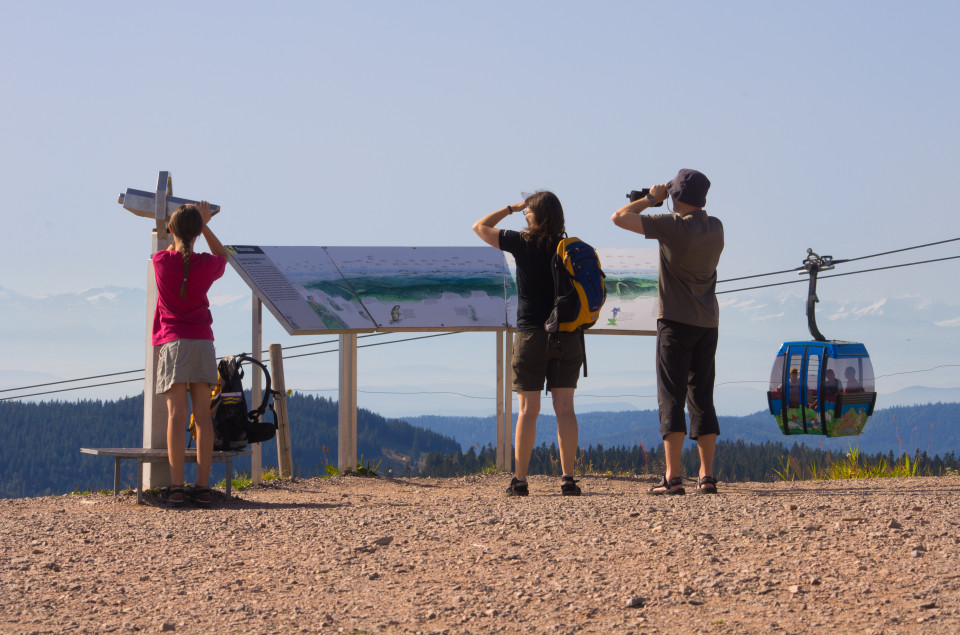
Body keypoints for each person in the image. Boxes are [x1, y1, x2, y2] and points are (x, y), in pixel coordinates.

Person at [611, 169, 724, 495]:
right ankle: (706, 476)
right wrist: (663, 199)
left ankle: (673, 476)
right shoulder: (716, 227)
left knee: (671, 397)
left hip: (675, 322)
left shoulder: (671, 226)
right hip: (708, 323)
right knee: (702, 396)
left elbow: (619, 218)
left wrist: (648, 200)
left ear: (675, 197)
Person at [472, 191, 585, 496]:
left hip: (532, 334)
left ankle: (520, 480)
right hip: (568, 335)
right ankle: (568, 479)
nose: (524, 216)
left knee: (527, 410)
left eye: (527, 212)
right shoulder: (569, 247)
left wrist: (512, 207)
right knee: (565, 408)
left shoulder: (522, 243)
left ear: (535, 215)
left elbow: (479, 226)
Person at [153, 201, 228, 508]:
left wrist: (189, 224)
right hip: (202, 342)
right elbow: (223, 256)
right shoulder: (206, 266)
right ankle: (203, 486)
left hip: (173, 343)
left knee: (176, 415)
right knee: (203, 418)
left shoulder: (160, 261)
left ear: (171, 230)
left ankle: (175, 487)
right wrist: (205, 223)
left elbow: (175, 247)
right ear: (197, 233)